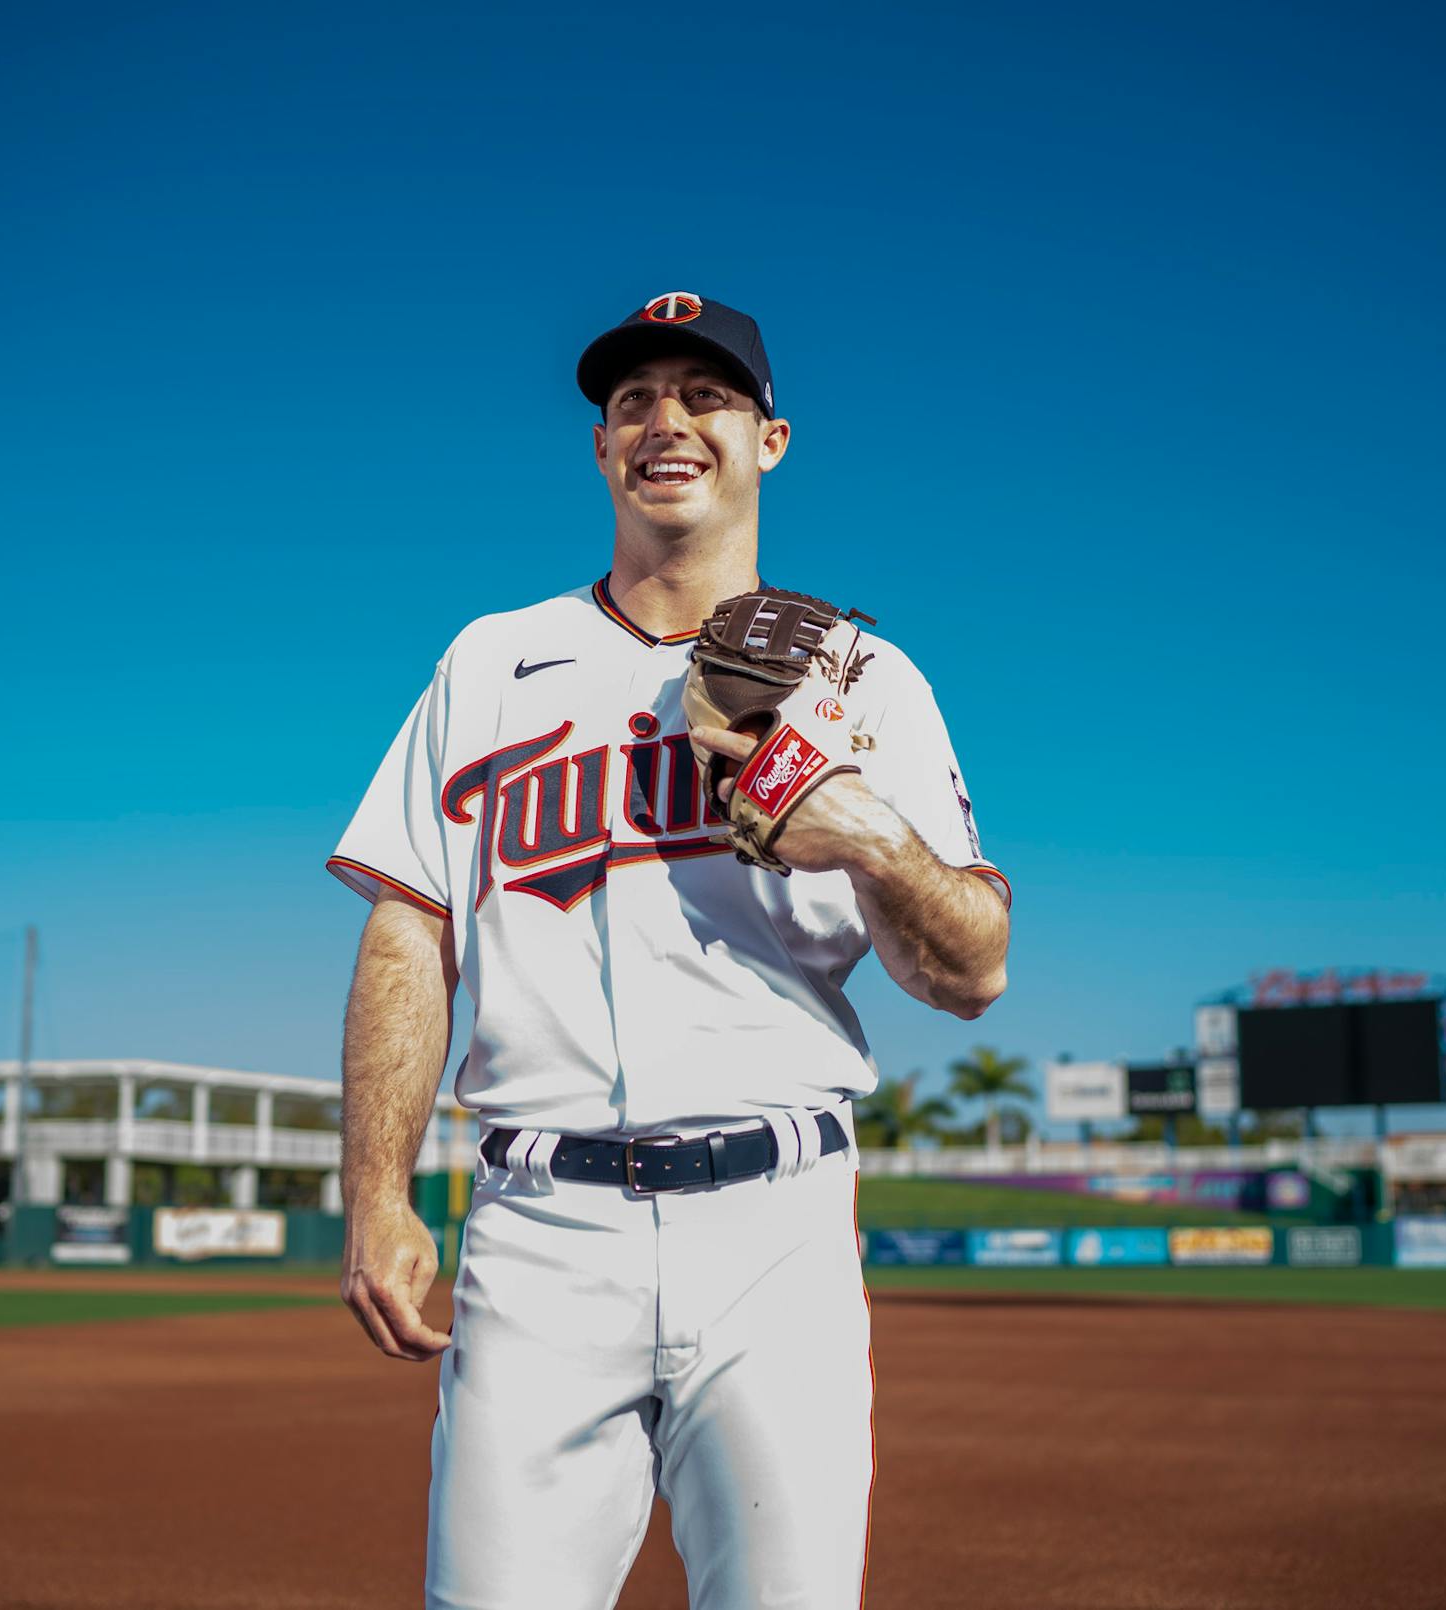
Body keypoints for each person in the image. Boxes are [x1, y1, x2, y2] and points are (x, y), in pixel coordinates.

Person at [328, 289, 1011, 1609]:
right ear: (601, 451)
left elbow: (973, 966)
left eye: (706, 396)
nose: (666, 421)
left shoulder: (867, 682)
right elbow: (412, 921)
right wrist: (377, 1187)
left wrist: (867, 832)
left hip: (777, 1231)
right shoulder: (489, 661)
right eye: (632, 399)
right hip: (536, 1232)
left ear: (772, 439)